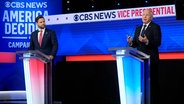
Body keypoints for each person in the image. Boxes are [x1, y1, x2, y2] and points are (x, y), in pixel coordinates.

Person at [127, 9, 162, 104]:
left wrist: (146, 41)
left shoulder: (155, 27)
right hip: (140, 60)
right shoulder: (138, 28)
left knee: (153, 84)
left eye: (147, 15)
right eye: (143, 15)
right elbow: (135, 44)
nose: (144, 16)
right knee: (142, 84)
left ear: (151, 17)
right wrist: (131, 42)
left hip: (152, 60)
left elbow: (158, 42)